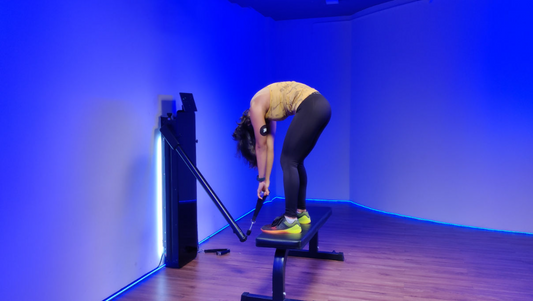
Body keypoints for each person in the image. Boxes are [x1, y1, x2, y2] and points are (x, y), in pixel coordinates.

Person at [232, 81, 331, 234]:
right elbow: (270, 146)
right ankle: (300, 213)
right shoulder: (267, 110)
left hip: (311, 105)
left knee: (288, 160)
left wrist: (260, 179)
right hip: (322, 107)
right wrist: (267, 180)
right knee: (295, 161)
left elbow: (261, 145)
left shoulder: (255, 107)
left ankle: (290, 220)